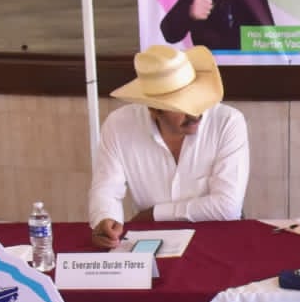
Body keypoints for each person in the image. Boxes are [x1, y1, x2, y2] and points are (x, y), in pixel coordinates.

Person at [89, 44, 250, 249]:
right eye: (181, 106)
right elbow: (106, 189)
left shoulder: (228, 122)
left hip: (218, 237)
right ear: (154, 110)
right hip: (152, 239)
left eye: (196, 98)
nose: (195, 113)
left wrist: (153, 214)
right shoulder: (118, 125)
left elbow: (228, 207)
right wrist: (105, 218)